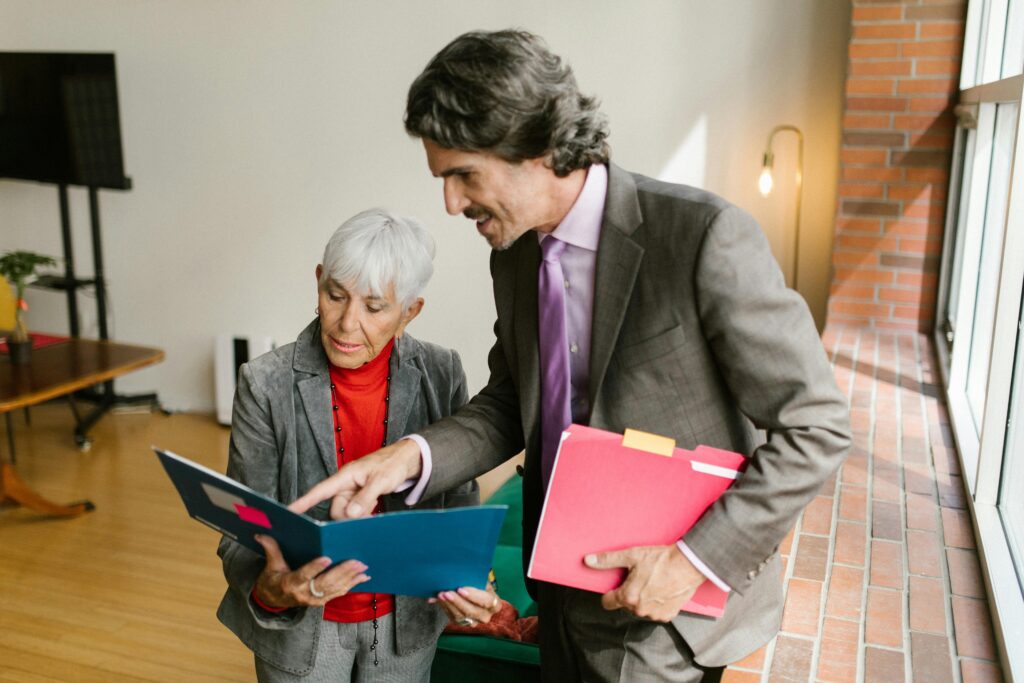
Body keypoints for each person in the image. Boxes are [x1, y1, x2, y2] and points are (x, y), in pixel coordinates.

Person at [291, 30, 852, 682]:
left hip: (663, 608)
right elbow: (511, 401)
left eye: (464, 175)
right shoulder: (514, 254)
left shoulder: (701, 238)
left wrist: (690, 561)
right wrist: (407, 458)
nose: (450, 203)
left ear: (538, 148)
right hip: (556, 589)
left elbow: (818, 425)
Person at [216, 208, 500, 682]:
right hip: (302, 630)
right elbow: (241, 528)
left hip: (404, 627)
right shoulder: (264, 383)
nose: (347, 324)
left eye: (374, 307)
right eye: (335, 296)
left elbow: (459, 505)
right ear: (318, 281)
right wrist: (275, 589)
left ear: (410, 311)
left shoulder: (442, 371)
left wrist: (471, 579)